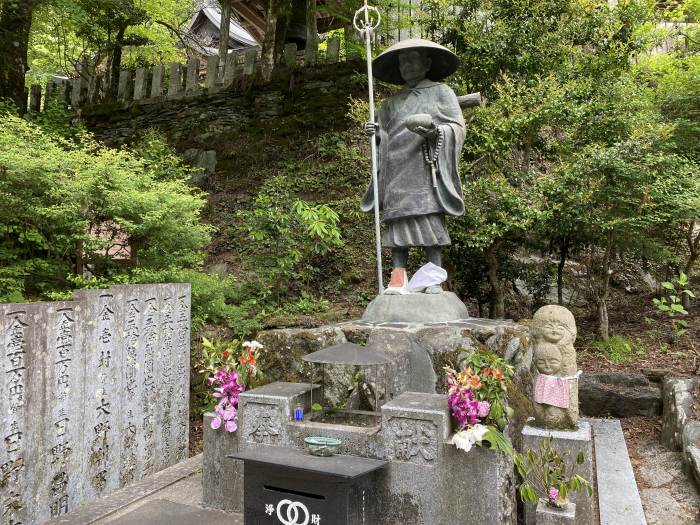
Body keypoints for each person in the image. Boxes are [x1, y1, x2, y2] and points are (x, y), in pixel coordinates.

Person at [362, 39, 465, 294]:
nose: (406, 65)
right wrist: (376, 134)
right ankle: (398, 279)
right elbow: (383, 137)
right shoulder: (390, 103)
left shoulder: (442, 92)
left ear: (427, 62)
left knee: (430, 223)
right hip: (396, 169)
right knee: (397, 228)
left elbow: (456, 128)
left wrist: (434, 132)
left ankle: (433, 278)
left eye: (411, 59)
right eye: (401, 61)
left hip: (425, 167)